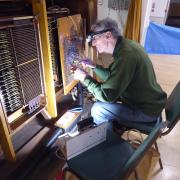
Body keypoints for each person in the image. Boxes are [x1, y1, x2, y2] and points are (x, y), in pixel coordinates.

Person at [73, 18, 167, 125]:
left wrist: (84, 78)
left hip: (146, 112)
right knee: (99, 99)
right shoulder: (127, 46)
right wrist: (93, 66)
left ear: (108, 35)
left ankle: (106, 139)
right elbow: (113, 76)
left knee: (98, 109)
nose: (93, 44)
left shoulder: (126, 56)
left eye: (95, 38)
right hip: (152, 104)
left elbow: (107, 96)